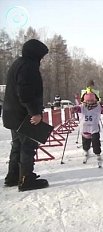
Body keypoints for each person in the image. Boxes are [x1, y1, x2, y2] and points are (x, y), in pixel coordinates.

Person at [3, 39, 49, 191]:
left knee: (17, 145)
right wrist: (34, 113)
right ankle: (26, 179)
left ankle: (13, 176)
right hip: (23, 115)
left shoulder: (18, 63)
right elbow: (24, 92)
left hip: (12, 113)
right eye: (41, 56)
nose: (41, 59)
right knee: (28, 146)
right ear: (35, 54)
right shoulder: (29, 66)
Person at [73, 92, 103, 166]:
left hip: (94, 127)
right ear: (85, 101)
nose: (90, 102)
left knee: (96, 142)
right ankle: (86, 150)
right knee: (86, 142)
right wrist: (74, 109)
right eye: (88, 101)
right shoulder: (82, 106)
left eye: (91, 100)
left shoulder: (97, 106)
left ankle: (97, 153)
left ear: (94, 100)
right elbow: (77, 109)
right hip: (85, 128)